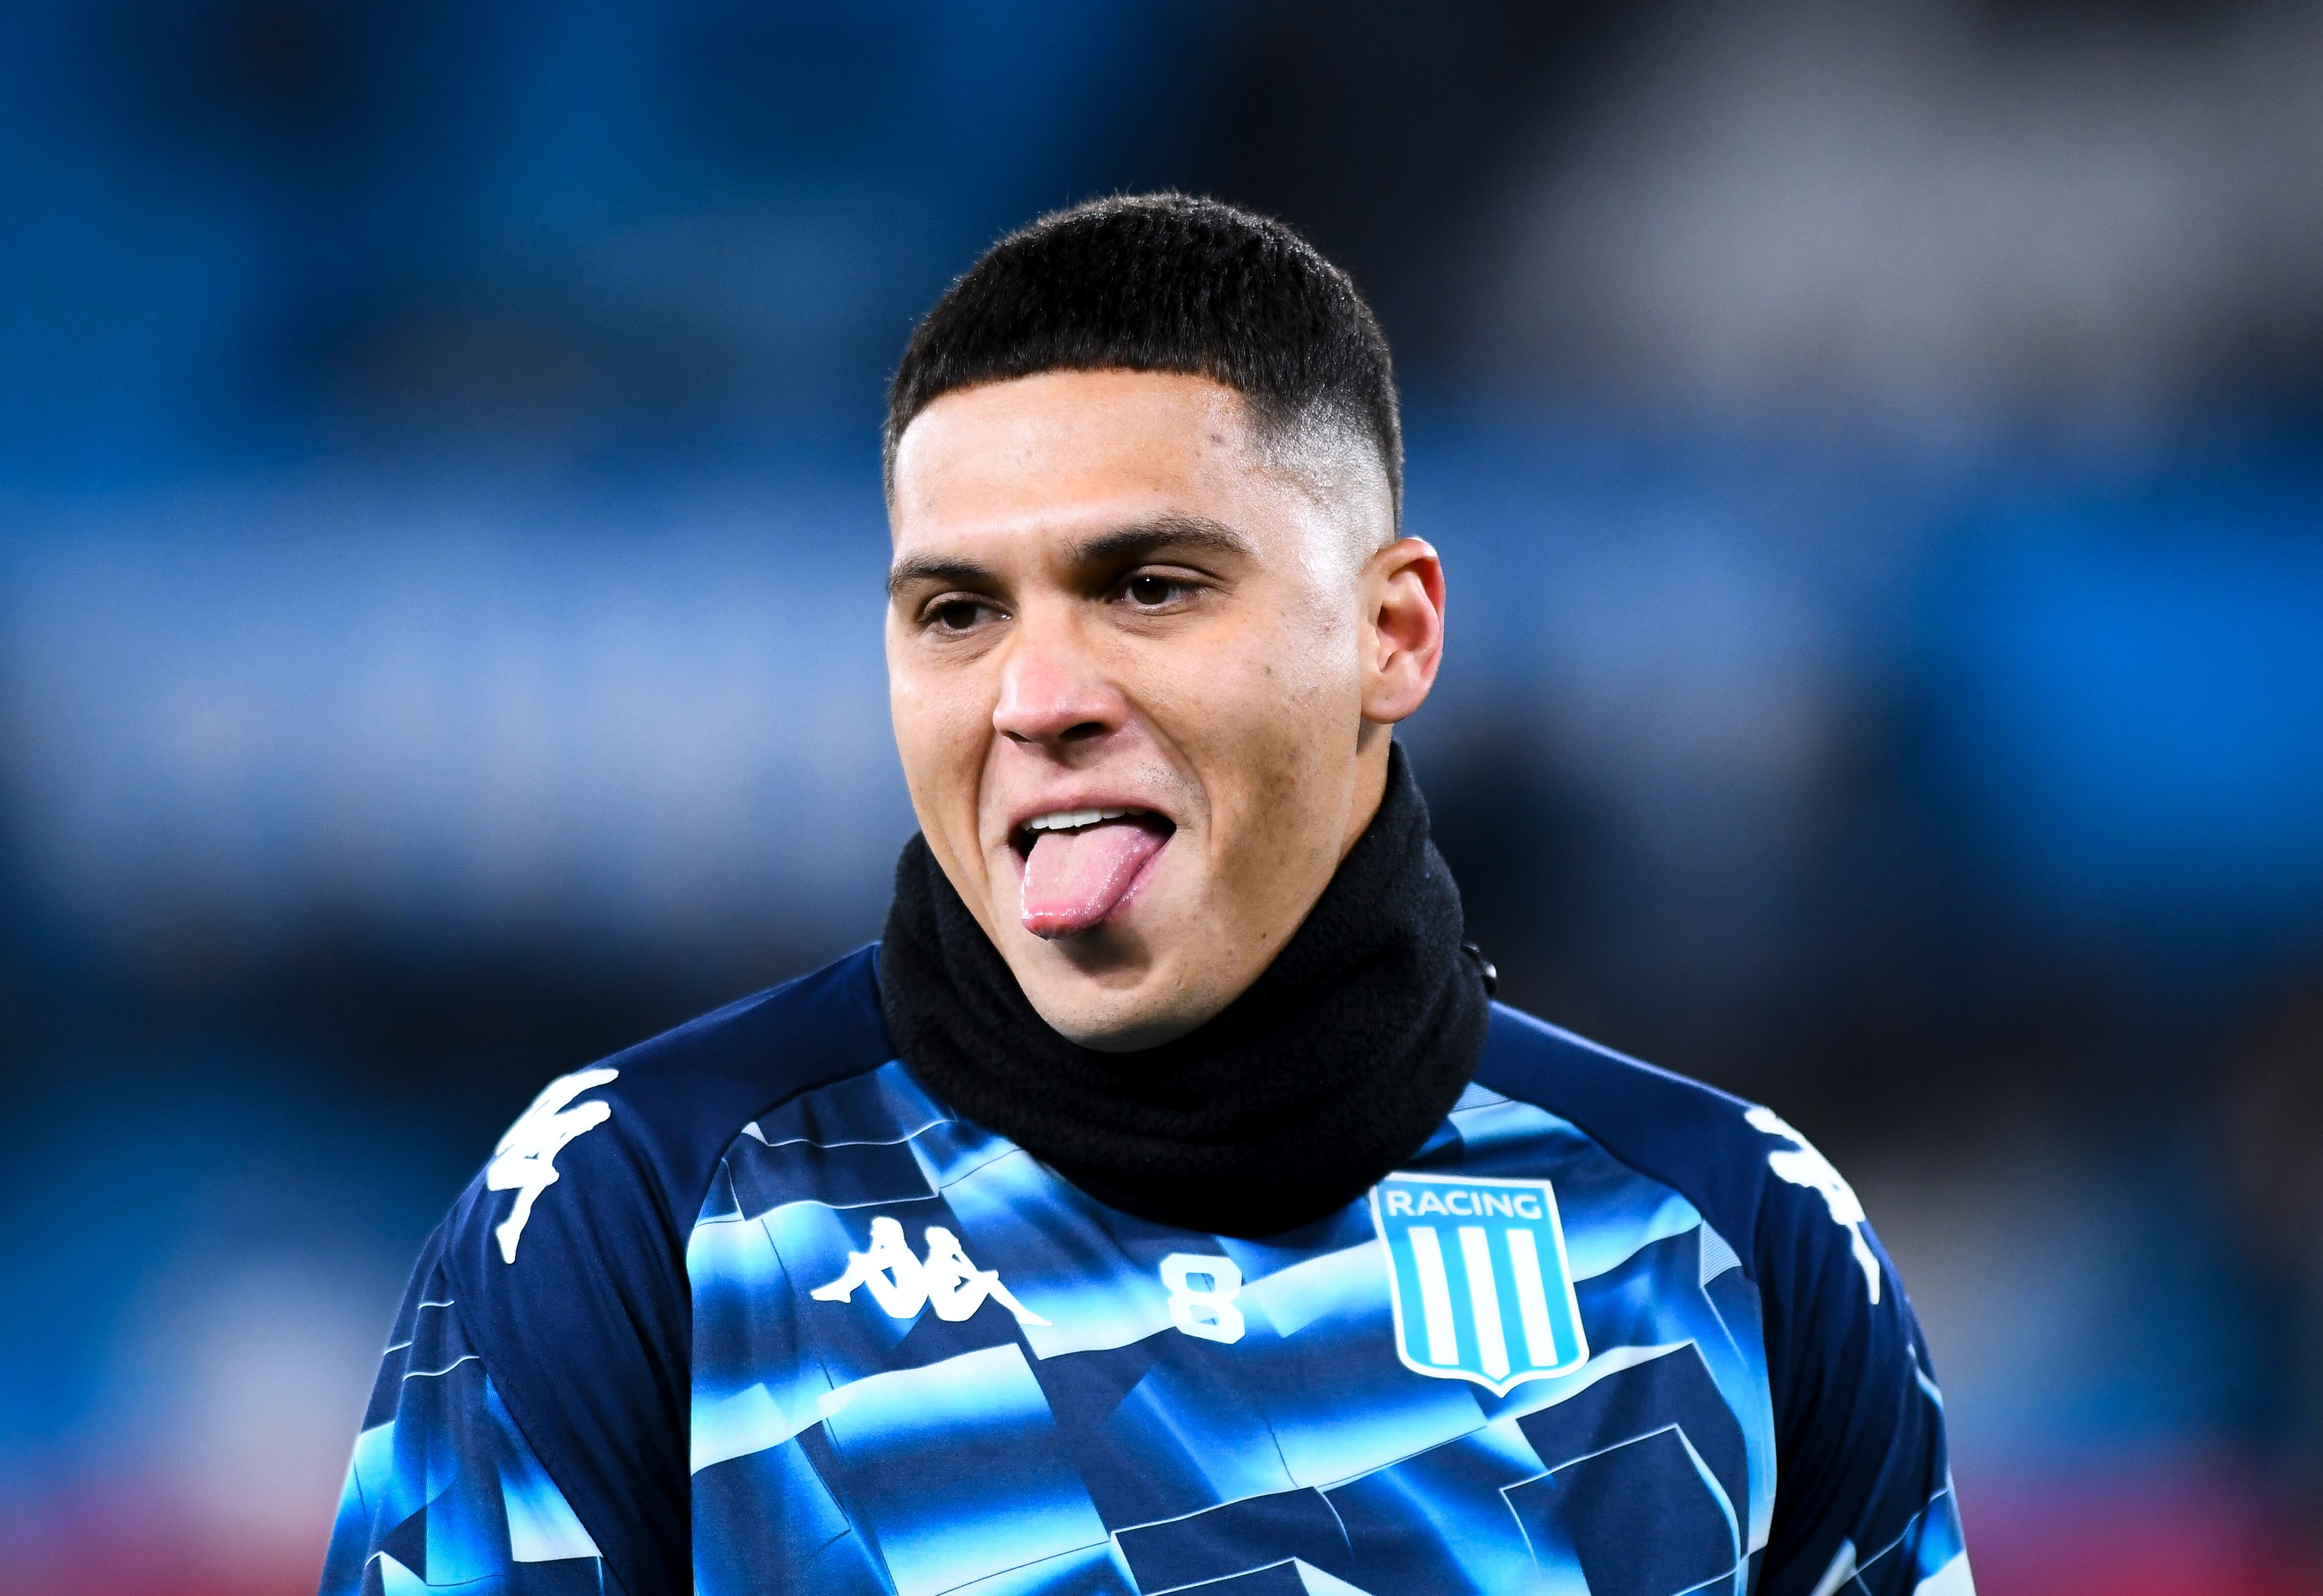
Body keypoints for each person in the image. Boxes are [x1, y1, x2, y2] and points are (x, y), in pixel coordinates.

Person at [319, 193, 1970, 1596]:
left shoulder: (1724, 1238)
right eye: (956, 612)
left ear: (1392, 635)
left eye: (1150, 586)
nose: (1037, 695)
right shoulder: (639, 1215)